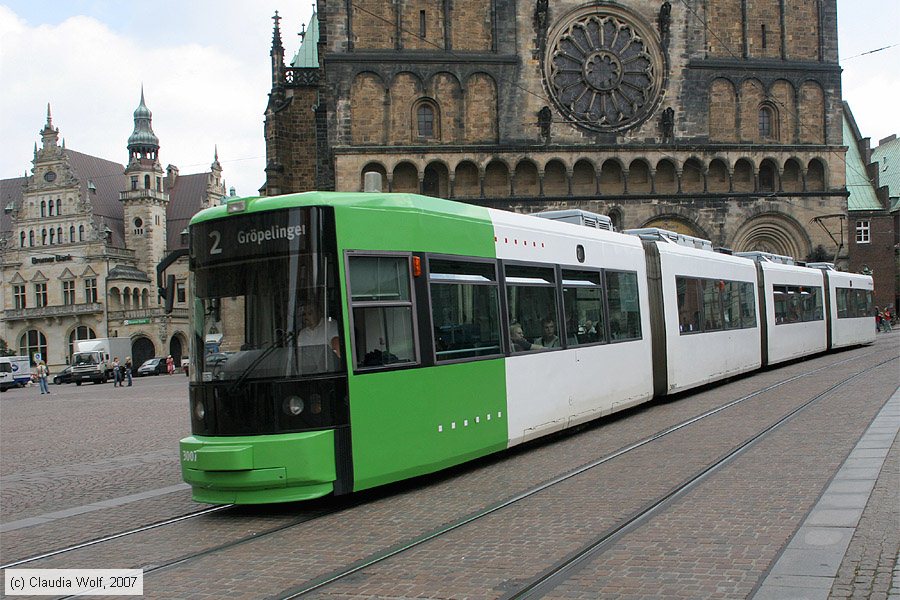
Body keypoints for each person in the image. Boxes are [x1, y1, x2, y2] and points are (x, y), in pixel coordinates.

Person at [297, 302, 341, 371]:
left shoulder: (330, 325)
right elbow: (300, 356)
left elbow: (337, 346)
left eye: (310, 313)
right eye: (304, 314)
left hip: (329, 371)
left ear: (319, 312)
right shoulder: (302, 333)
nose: (306, 317)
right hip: (309, 371)